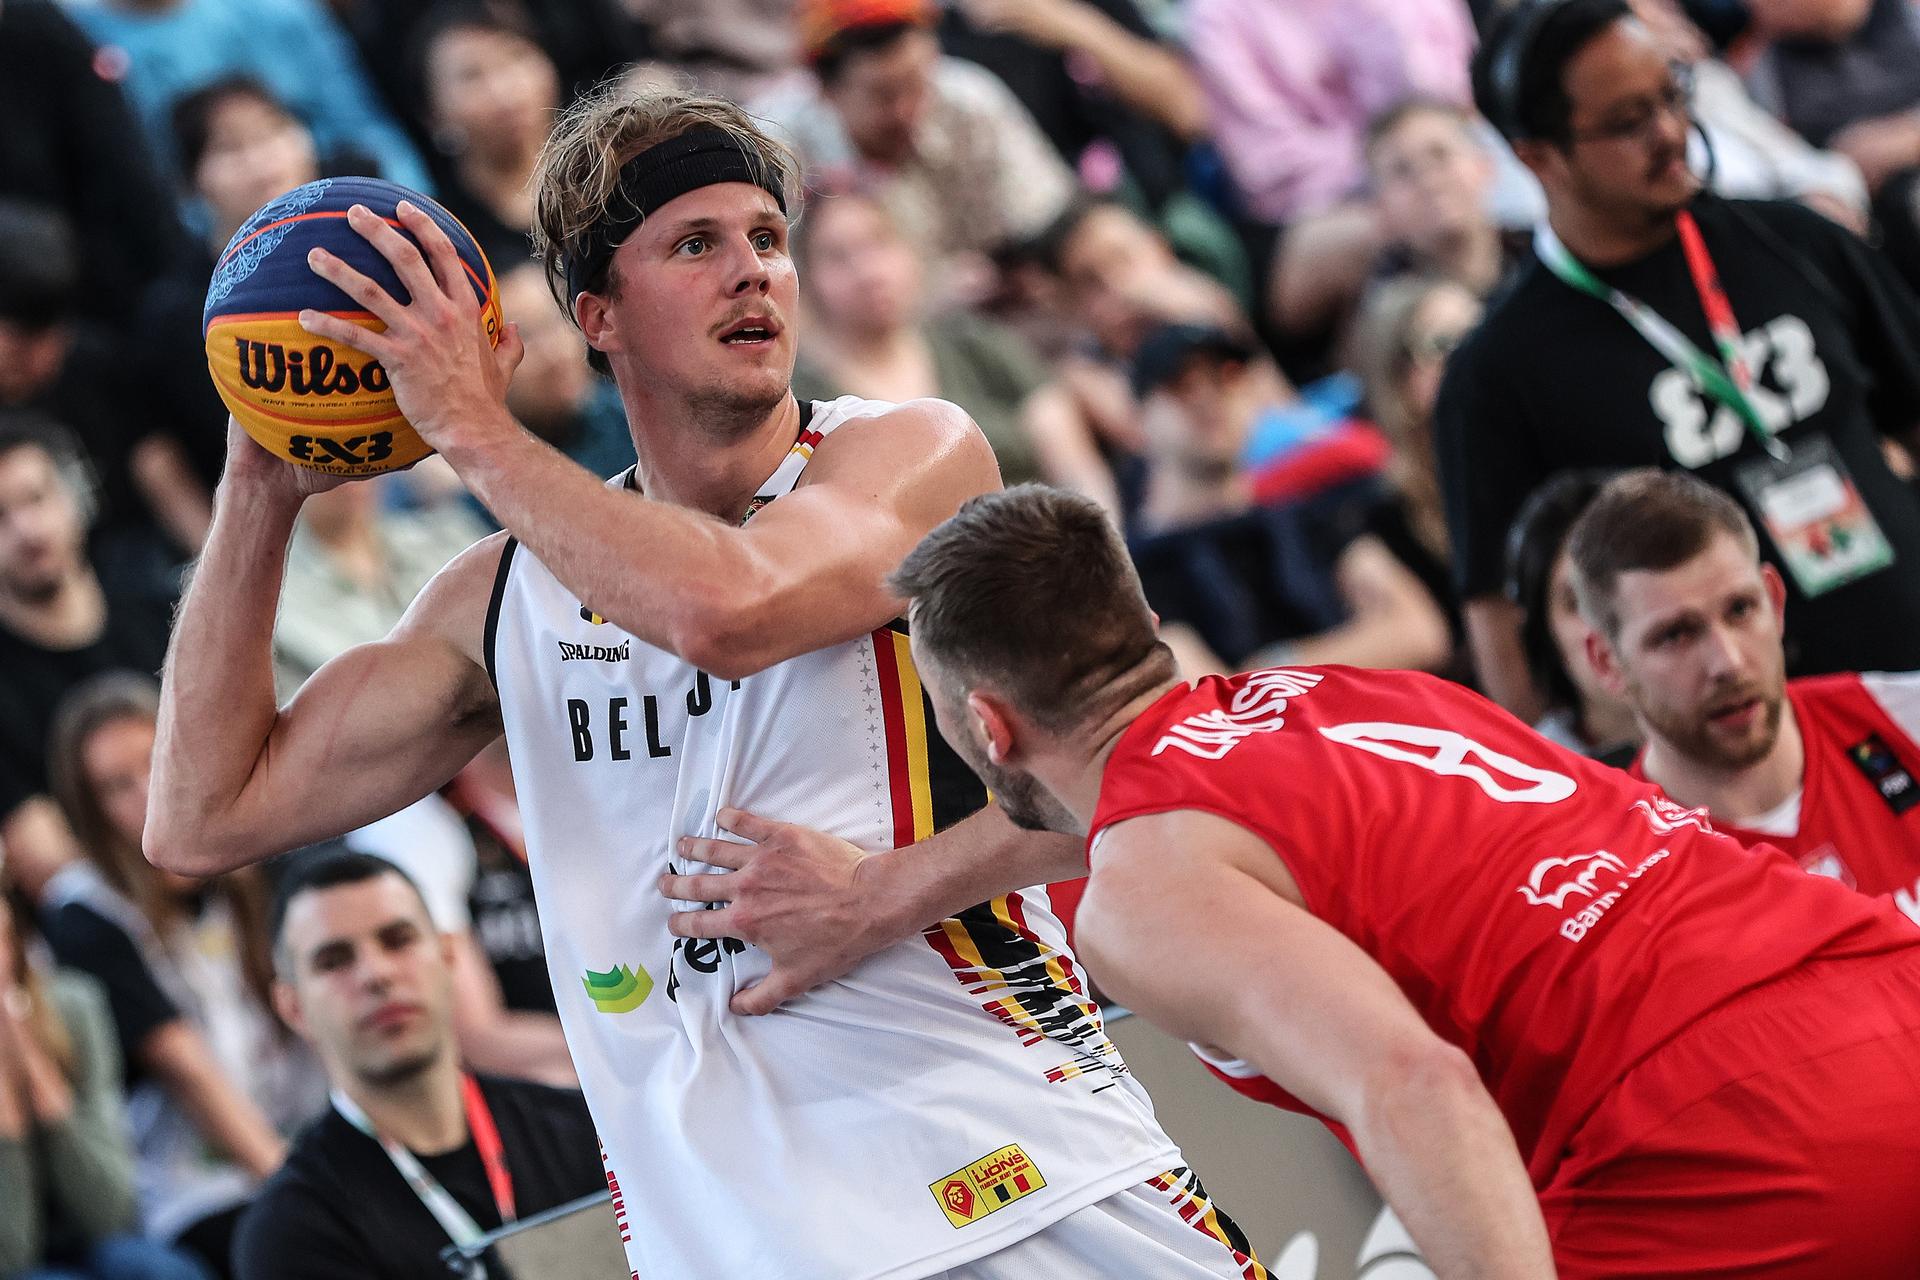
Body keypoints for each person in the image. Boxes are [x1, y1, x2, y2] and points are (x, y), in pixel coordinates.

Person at [147, 87, 1264, 1280]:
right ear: (597, 313)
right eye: (696, 243)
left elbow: (744, 614)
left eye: (768, 239)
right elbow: (202, 816)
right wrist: (258, 489)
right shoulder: (502, 594)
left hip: (1014, 1175)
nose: (756, 274)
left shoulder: (909, 456)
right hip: (733, 1246)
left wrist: (889, 891)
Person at [888, 481, 1920, 1277]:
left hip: (1724, 1132)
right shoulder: (1354, 691)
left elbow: (1416, 1084)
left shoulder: (1141, 882)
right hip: (1880, 983)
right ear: (1140, 619)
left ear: (987, 722)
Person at [1437, 0, 1920, 721]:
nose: (1671, 133)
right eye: (1629, 122)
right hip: (1740, 758)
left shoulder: (1797, 242)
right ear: (1537, 156)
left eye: (1674, 95)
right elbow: (1501, 625)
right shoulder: (1498, 372)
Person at [40, 675, 327, 1278]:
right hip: (191, 1190)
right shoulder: (85, 915)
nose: (148, 796)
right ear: (90, 814)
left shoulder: (258, 865)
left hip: (309, 1143)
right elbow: (190, 1074)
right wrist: (313, 1202)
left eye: (156, 763)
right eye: (117, 787)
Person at [232, 850, 605, 1280]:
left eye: (397, 940)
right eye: (334, 960)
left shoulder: (586, 1132)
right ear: (293, 1007)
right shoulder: (292, 1231)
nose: (376, 974)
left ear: (449, 958)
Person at [1572, 467, 1920, 919]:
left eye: (1740, 609)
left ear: (1774, 600)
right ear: (1607, 662)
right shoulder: (1627, 883)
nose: (1728, 663)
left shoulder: (1902, 717)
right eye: (1676, 635)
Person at [792, 190, 1101, 497]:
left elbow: (1076, 465)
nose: (867, 272)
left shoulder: (972, 341)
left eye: (879, 242)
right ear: (807, 278)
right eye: (838, 257)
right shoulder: (806, 404)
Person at [767, 0, 1079, 299]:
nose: (905, 110)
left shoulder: (971, 105)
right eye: (884, 95)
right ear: (824, 88)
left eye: (916, 84)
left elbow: (1048, 218)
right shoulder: (777, 151)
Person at [0, 415, 175, 909]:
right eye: (0, 516)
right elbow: (46, 862)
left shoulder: (165, 614)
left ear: (75, 493)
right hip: (119, 914)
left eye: (36, 498)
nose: (26, 530)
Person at [0, 886, 214, 1280]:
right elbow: (12, 1254)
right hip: (21, 1255)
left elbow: (112, 1214)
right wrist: (8, 1112)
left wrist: (36, 1072)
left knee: (160, 1269)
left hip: (92, 1231)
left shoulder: (72, 1007)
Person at [409, 2, 563, 272]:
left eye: (516, 56)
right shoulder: (440, 235)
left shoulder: (608, 172)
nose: (505, 91)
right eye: (471, 76)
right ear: (432, 116)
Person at [1505, 472, 1639, 760]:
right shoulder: (1528, 781)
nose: (1610, 619)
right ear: (1546, 635)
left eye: (1632, 586)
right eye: (1577, 601)